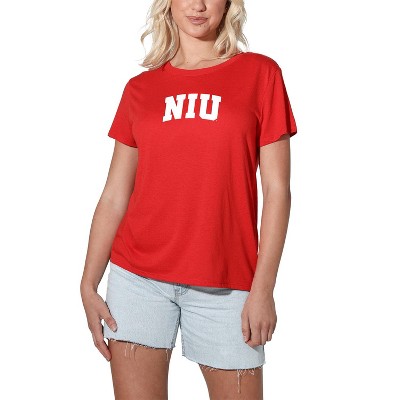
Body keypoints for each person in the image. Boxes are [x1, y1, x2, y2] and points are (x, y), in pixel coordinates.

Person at [80, 0, 298, 398]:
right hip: (137, 281)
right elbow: (114, 195)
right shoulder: (140, 89)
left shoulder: (260, 74)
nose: (198, 5)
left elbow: (277, 191)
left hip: (228, 284)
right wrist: (88, 283)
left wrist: (264, 288)